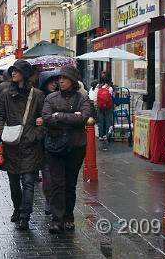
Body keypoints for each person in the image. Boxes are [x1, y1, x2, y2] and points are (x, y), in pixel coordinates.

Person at [42, 66, 95, 233]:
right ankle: (57, 219)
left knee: (70, 183)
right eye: (60, 78)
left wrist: (59, 115)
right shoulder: (51, 98)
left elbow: (84, 118)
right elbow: (46, 118)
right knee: (58, 183)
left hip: (75, 145)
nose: (61, 81)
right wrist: (71, 116)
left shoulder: (82, 99)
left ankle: (68, 216)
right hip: (54, 145)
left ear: (73, 81)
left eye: (65, 78)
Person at [0, 59, 46, 231]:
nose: (13, 73)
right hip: (12, 143)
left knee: (29, 181)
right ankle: (17, 208)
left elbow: (43, 118)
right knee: (14, 181)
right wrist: (1, 132)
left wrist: (36, 134)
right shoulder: (5, 94)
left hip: (31, 145)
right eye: (12, 71)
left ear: (25, 74)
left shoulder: (37, 95)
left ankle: (25, 216)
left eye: (16, 71)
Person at [37, 70, 60, 216]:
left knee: (57, 174)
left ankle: (56, 202)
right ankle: (49, 200)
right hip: (43, 139)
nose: (54, 84)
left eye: (55, 81)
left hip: (58, 138)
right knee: (46, 173)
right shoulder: (39, 98)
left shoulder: (60, 97)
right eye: (51, 81)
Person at [94, 75, 114, 142]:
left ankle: (100, 136)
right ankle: (107, 135)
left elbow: (95, 98)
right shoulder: (110, 88)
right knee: (108, 120)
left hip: (100, 106)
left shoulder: (97, 87)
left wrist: (96, 105)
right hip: (108, 106)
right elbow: (111, 97)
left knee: (101, 121)